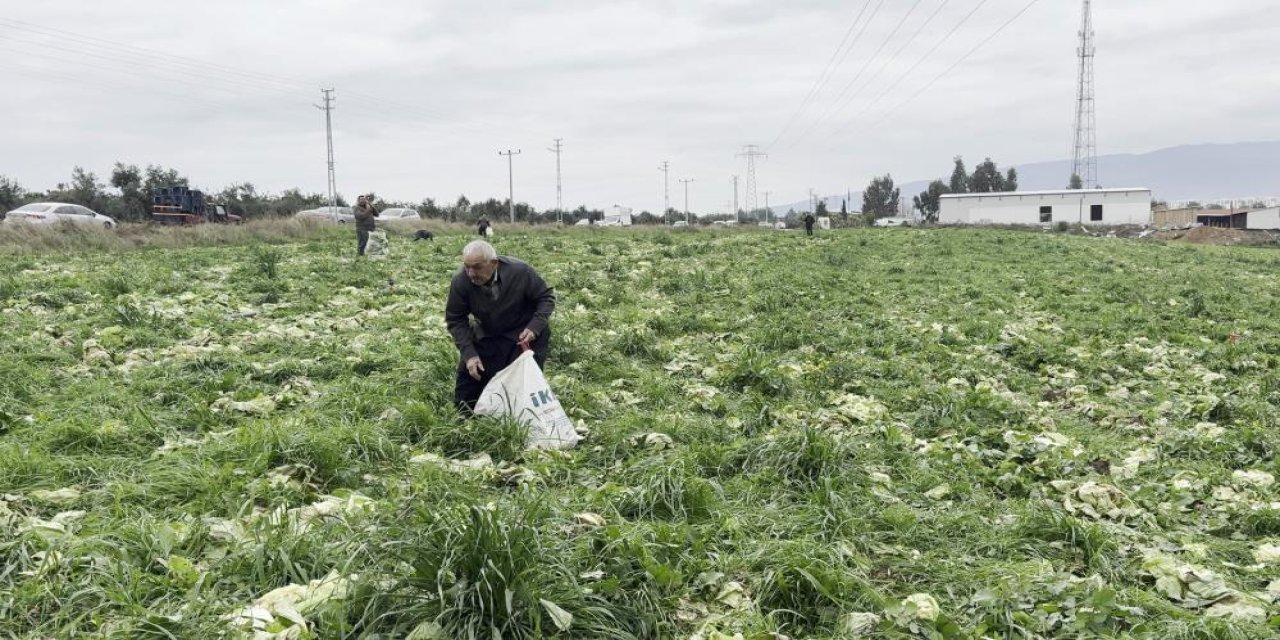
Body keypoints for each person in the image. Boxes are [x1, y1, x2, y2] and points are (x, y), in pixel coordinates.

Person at [446, 240, 556, 413]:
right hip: (489, 332)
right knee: (467, 391)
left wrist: (535, 326)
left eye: (477, 267)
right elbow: (456, 319)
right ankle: (464, 423)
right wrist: (469, 354)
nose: (471, 273)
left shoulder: (520, 271)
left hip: (524, 334)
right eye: (467, 267)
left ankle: (524, 420)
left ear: (494, 263)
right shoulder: (461, 281)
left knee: (522, 387)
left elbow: (546, 297)